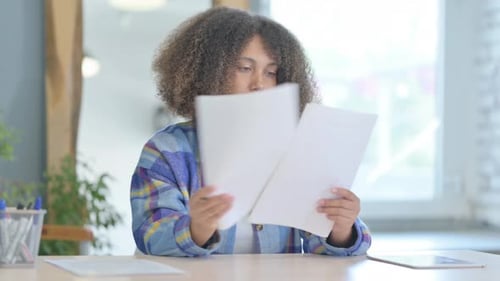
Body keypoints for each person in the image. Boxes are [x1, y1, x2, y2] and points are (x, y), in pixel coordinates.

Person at [130, 6, 371, 257]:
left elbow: (320, 243)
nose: (259, 83)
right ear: (208, 72)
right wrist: (196, 228)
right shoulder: (166, 150)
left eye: (271, 73)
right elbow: (150, 235)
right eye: (245, 68)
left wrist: (342, 227)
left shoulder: (299, 148)